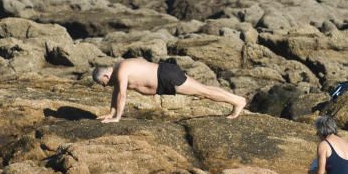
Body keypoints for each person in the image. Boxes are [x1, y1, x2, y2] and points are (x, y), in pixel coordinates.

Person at [91, 58, 246, 121]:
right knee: (203, 89)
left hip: (165, 77)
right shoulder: (120, 67)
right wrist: (111, 113)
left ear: (105, 76)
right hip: (165, 74)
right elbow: (116, 93)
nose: (104, 86)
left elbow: (122, 96)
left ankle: (238, 101)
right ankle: (237, 100)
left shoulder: (122, 71)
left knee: (204, 92)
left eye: (101, 83)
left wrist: (117, 117)